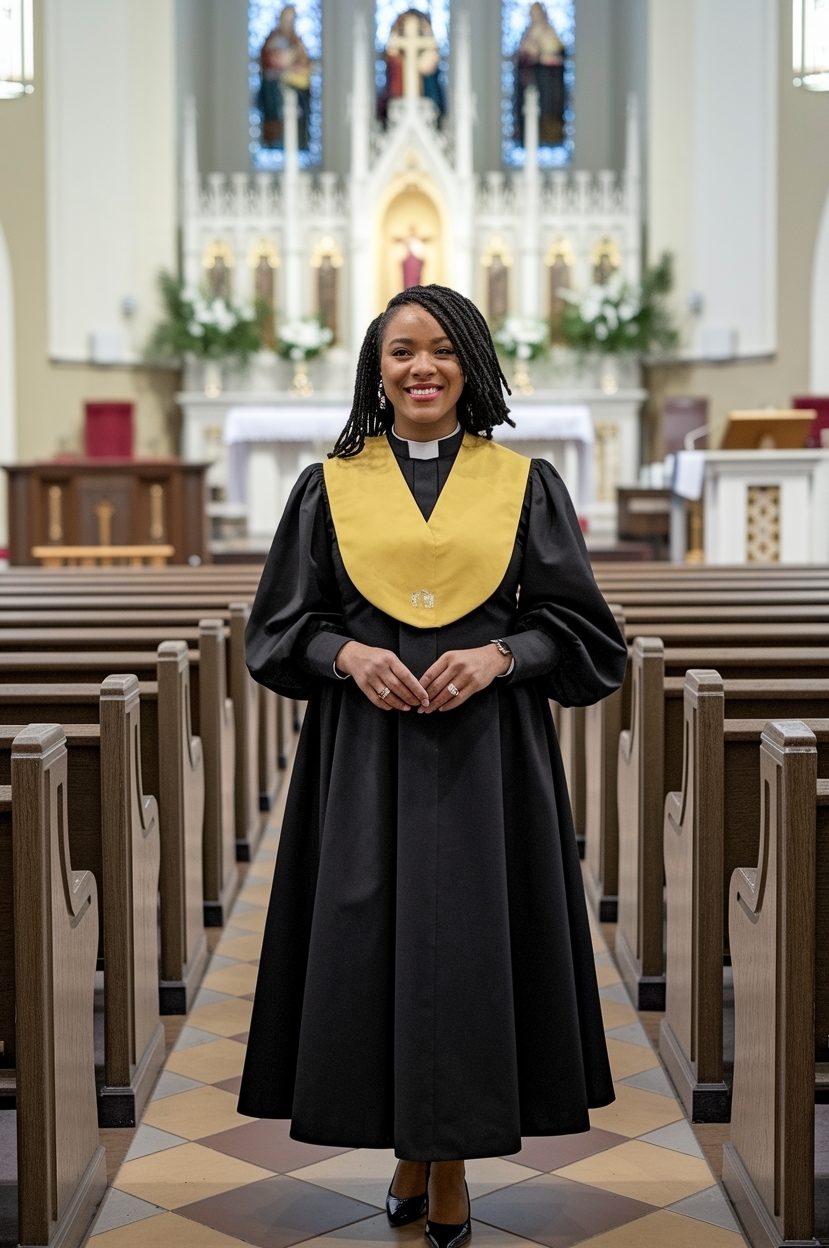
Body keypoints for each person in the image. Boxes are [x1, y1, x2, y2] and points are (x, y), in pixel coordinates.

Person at [239, 284, 627, 1248]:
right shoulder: (328, 485)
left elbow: (583, 634)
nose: (423, 368)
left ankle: (446, 1160)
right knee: (371, 949)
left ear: (474, 365)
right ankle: (412, 1148)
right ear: (377, 367)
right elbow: (279, 629)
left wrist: (502, 656)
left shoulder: (524, 482)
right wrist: (349, 655)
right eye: (403, 350)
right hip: (363, 757)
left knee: (469, 948)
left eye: (443, 350)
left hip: (487, 759)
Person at [257, 5, 313, 151]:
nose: (288, 23)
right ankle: (275, 142)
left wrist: (294, 62)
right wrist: (281, 61)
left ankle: (298, 143)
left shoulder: (297, 41)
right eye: (285, 19)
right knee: (275, 107)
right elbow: (267, 60)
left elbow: (304, 62)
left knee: (297, 114)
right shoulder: (272, 38)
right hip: (274, 85)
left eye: (291, 20)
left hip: (294, 88)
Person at [514, 1, 566, 148]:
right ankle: (526, 138)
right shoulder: (528, 33)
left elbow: (557, 55)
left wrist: (542, 56)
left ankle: (550, 138)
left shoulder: (549, 32)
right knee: (528, 111)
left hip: (548, 82)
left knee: (547, 113)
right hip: (531, 82)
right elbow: (522, 57)